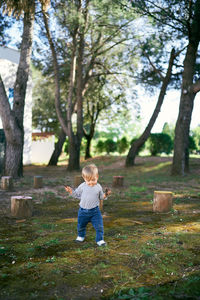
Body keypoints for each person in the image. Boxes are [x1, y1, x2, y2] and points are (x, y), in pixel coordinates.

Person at [65, 164, 111, 247]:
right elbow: (76, 194)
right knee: (81, 225)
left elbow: (101, 197)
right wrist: (70, 191)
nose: (91, 183)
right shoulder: (82, 186)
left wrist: (106, 194)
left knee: (99, 226)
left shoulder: (98, 187)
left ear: (97, 176)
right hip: (83, 211)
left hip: (95, 211)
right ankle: (81, 236)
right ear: (84, 178)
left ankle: (100, 239)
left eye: (93, 180)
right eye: (88, 180)